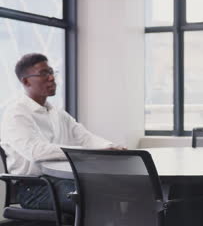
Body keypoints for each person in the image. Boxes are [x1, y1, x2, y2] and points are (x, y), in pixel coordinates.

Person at [0, 53, 126, 215]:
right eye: (44, 73)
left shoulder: (56, 112)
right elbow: (36, 151)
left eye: (51, 72)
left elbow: (85, 138)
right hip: (33, 188)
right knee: (96, 196)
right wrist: (86, 153)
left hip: (62, 180)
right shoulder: (16, 114)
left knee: (113, 188)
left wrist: (110, 147)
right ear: (25, 81)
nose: (52, 78)